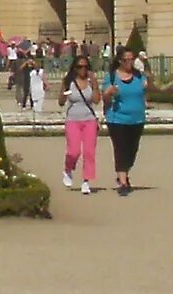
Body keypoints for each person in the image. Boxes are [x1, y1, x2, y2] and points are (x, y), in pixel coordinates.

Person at [104, 48, 149, 196]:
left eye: (132, 59)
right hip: (117, 118)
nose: (129, 62)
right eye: (126, 60)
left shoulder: (139, 76)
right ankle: (123, 182)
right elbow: (105, 99)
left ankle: (123, 173)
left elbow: (148, 91)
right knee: (120, 148)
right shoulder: (111, 77)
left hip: (137, 118)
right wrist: (109, 93)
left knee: (132, 150)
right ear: (119, 61)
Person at [57, 54, 101, 197]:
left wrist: (94, 84)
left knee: (89, 152)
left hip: (89, 120)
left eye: (85, 66)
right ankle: (68, 168)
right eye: (79, 67)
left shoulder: (91, 82)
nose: (83, 69)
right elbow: (61, 102)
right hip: (73, 120)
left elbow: (96, 101)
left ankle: (86, 181)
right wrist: (65, 93)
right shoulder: (69, 81)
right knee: (73, 151)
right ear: (74, 68)